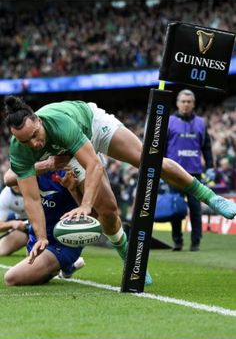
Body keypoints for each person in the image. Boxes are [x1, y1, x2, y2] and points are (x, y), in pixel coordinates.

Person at [3, 96, 236, 278]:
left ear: (39, 121)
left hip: (91, 126)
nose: (33, 143)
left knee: (148, 160)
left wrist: (85, 205)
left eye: (34, 135)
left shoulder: (60, 124)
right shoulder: (20, 150)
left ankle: (210, 197)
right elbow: (32, 199)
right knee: (108, 210)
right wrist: (41, 236)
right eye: (26, 141)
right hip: (67, 154)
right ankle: (127, 255)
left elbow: (94, 163)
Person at [4, 169, 85, 285]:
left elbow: (92, 213)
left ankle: (63, 264)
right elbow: (8, 179)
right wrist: (47, 165)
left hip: (63, 240)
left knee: (12, 278)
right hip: (37, 235)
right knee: (31, 271)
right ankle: (65, 268)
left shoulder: (71, 167)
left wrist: (73, 189)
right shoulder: (30, 159)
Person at [165, 89, 215, 251]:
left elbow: (206, 146)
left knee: (195, 209)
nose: (186, 104)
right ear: (178, 103)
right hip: (173, 173)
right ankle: (177, 241)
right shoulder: (169, 121)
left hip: (194, 173)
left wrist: (210, 166)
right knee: (176, 210)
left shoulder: (201, 123)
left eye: (189, 102)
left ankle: (196, 242)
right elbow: (162, 148)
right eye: (183, 101)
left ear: (193, 104)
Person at [0, 184, 28, 255]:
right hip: (23, 225)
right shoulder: (5, 195)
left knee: (33, 255)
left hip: (43, 223)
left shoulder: (37, 187)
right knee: (2, 250)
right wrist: (12, 224)